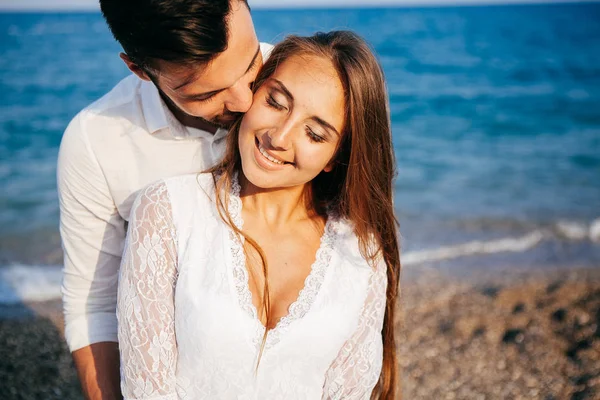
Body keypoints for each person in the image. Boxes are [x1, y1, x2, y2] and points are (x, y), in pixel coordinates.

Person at [117, 31, 401, 399]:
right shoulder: (168, 211)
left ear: (336, 156)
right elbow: (147, 391)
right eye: (276, 102)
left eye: (314, 134)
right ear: (253, 92)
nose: (280, 137)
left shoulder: (361, 254)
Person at [57, 0, 271, 398]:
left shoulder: (309, 93)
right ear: (139, 70)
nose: (245, 101)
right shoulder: (95, 140)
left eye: (250, 63)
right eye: (208, 93)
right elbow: (95, 305)